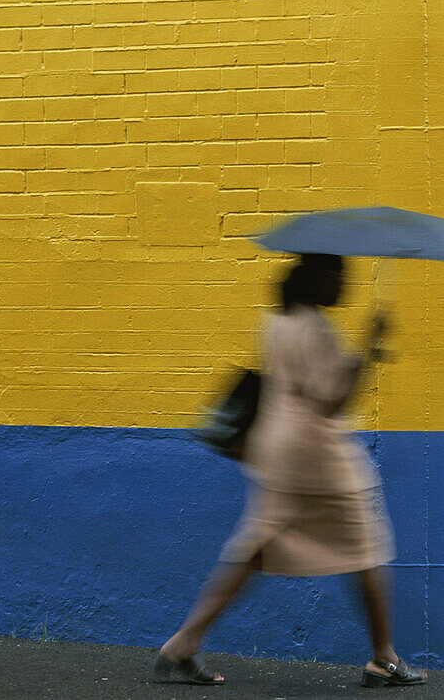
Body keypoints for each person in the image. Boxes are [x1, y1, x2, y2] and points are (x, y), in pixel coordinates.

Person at [151, 253, 426, 688]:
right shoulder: (315, 329)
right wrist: (369, 351)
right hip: (318, 458)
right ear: (314, 280)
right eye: (336, 275)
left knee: (257, 546)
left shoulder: (276, 320)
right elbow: (334, 400)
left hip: (275, 452)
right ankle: (384, 657)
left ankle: (183, 642)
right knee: (369, 546)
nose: (343, 284)